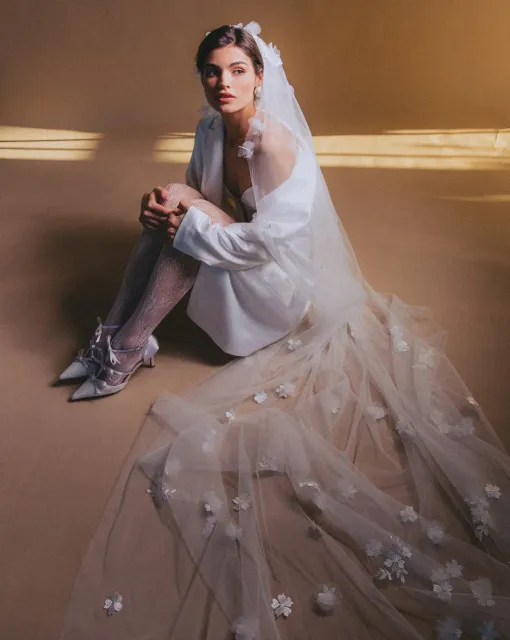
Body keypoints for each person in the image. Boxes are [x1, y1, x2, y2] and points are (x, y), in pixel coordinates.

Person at [59, 22, 510, 640]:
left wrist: (189, 227)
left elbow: (266, 243)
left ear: (259, 78)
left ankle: (124, 352)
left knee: (183, 230)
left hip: (279, 290)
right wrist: (166, 209)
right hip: (243, 255)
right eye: (213, 71)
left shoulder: (273, 145)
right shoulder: (211, 129)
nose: (223, 83)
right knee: (170, 200)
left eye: (237, 71)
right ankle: (114, 336)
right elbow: (205, 195)